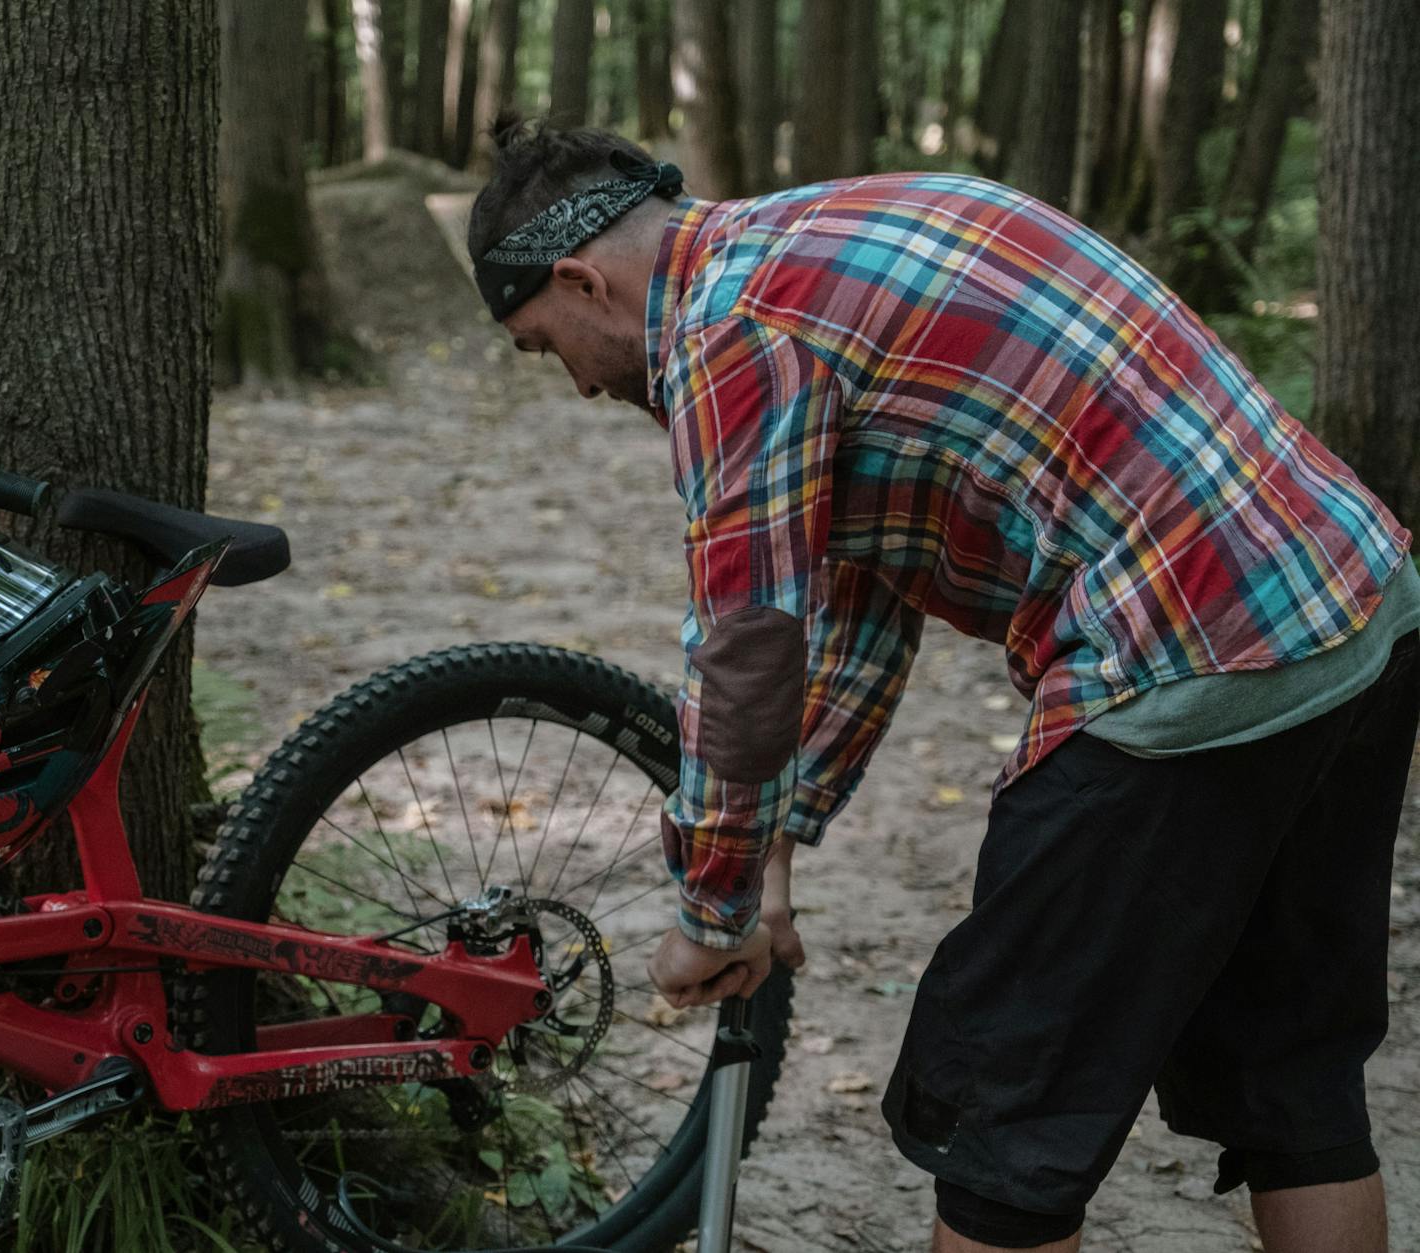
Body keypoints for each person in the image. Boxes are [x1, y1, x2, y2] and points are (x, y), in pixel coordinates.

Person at [464, 114, 1420, 1253]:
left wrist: (708, 908)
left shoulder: (728, 334)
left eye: (543, 345)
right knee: (1289, 1076)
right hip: (1354, 601)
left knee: (1000, 1126)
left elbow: (748, 643)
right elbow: (861, 592)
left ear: (581, 278)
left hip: (1188, 653)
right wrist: (772, 841)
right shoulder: (823, 235)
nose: (573, 384)